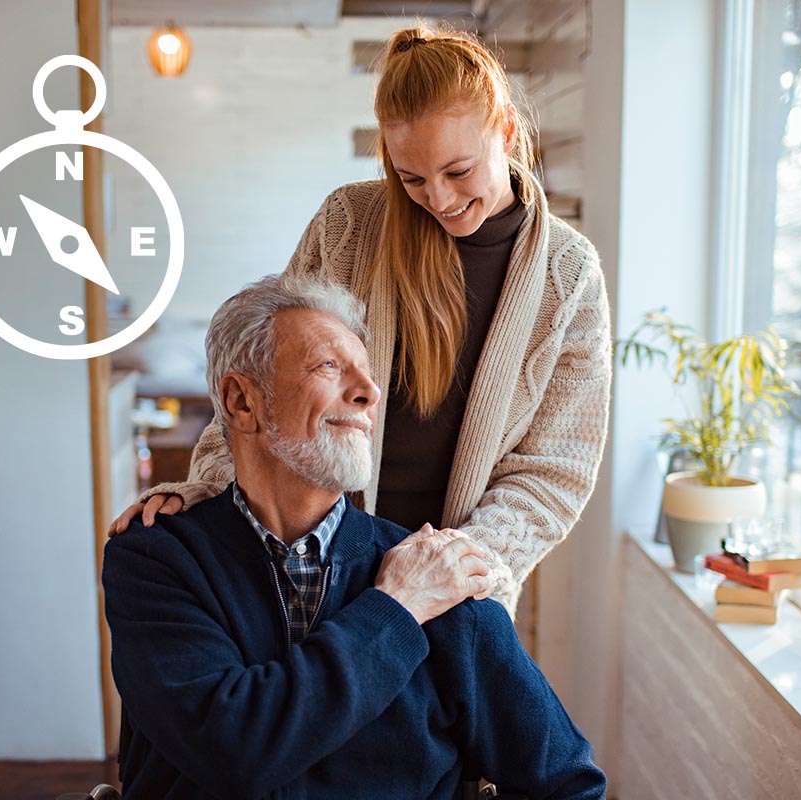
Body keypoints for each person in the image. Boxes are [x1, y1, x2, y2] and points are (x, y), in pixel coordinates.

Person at [112, 25, 612, 615]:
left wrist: (446, 569)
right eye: (412, 178)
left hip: (457, 595)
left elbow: (553, 474)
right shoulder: (350, 223)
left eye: (458, 171)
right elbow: (267, 375)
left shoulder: (569, 275)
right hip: (308, 564)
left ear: (505, 130)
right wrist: (210, 492)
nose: (440, 199)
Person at [103, 273, 607, 799]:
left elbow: (569, 784)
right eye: (329, 366)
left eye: (368, 375)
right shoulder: (155, 558)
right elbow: (232, 750)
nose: (369, 394)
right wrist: (397, 609)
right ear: (242, 402)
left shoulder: (444, 585)